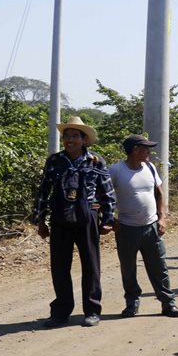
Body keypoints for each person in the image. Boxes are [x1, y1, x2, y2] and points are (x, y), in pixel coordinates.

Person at [33, 116, 116, 328]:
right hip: (60, 218)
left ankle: (92, 311)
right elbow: (43, 191)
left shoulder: (95, 161)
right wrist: (40, 221)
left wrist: (108, 220)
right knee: (60, 266)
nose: (69, 140)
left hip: (87, 217)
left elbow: (107, 191)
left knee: (91, 265)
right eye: (66, 136)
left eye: (74, 136)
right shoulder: (54, 161)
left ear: (84, 139)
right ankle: (60, 312)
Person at [108, 134, 178, 318]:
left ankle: (168, 304)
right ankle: (132, 304)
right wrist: (111, 220)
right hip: (126, 229)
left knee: (159, 268)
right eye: (146, 148)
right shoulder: (116, 170)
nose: (149, 152)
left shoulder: (149, 167)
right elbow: (103, 196)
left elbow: (159, 194)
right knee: (128, 269)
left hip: (151, 228)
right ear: (135, 150)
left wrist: (162, 218)